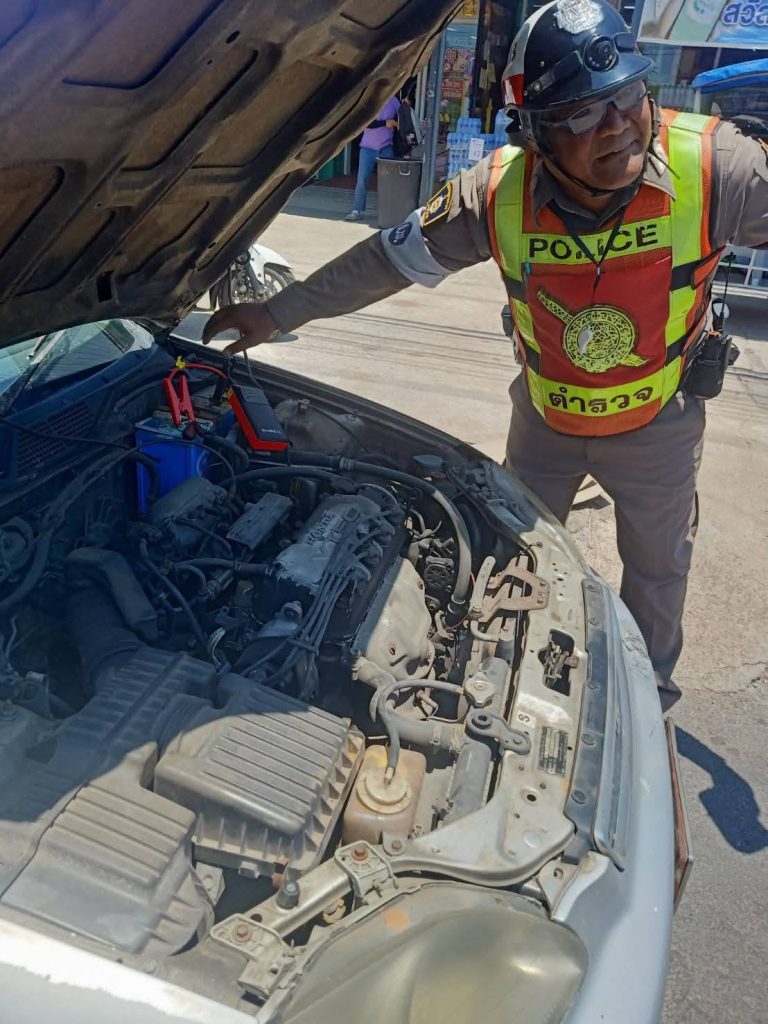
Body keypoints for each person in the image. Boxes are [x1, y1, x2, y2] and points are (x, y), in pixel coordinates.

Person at [203, 0, 768, 712]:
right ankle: (499, 698)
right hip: (544, 428)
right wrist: (276, 311)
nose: (619, 126)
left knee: (658, 573)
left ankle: (647, 705)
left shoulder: (720, 168)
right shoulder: (495, 193)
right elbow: (386, 261)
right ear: (536, 133)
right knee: (510, 567)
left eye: (629, 96)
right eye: (583, 115)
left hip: (656, 429)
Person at [345, 96, 401, 221]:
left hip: (386, 147)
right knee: (362, 180)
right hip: (367, 147)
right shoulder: (371, 99)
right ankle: (357, 210)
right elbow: (363, 122)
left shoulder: (394, 101)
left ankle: (389, 212)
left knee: (390, 182)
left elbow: (403, 117)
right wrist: (385, 123)